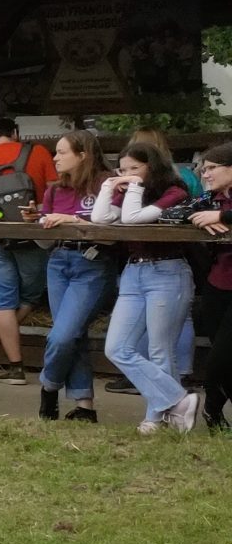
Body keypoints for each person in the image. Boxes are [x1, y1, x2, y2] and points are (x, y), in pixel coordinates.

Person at [93, 134, 199, 434]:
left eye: (134, 169)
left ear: (152, 167)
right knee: (117, 347)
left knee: (160, 350)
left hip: (168, 272)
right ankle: (178, 402)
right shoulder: (127, 190)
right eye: (122, 170)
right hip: (133, 272)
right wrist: (107, 187)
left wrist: (133, 189)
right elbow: (102, 218)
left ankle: (157, 416)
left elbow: (133, 218)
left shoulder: (174, 191)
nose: (126, 176)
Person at [0, 114, 55, 381]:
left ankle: (15, 367)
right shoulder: (38, 153)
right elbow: (53, 198)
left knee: (4, 302)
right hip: (34, 237)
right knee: (30, 298)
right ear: (15, 133)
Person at [34, 129, 111, 423]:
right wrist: (38, 221)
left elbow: (113, 227)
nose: (55, 158)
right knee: (72, 333)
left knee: (62, 334)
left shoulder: (107, 183)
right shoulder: (54, 189)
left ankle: (48, 385)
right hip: (58, 260)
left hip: (92, 262)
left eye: (61, 152)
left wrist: (73, 220)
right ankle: (85, 405)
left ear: (83, 155)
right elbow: (44, 238)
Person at [189, 139, 232, 431]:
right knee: (222, 352)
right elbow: (178, 213)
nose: (205, 174)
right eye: (203, 169)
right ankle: (215, 417)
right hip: (217, 284)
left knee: (220, 358)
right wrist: (196, 220)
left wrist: (222, 216)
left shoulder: (220, 207)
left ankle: (212, 407)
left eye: (212, 168)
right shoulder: (209, 199)